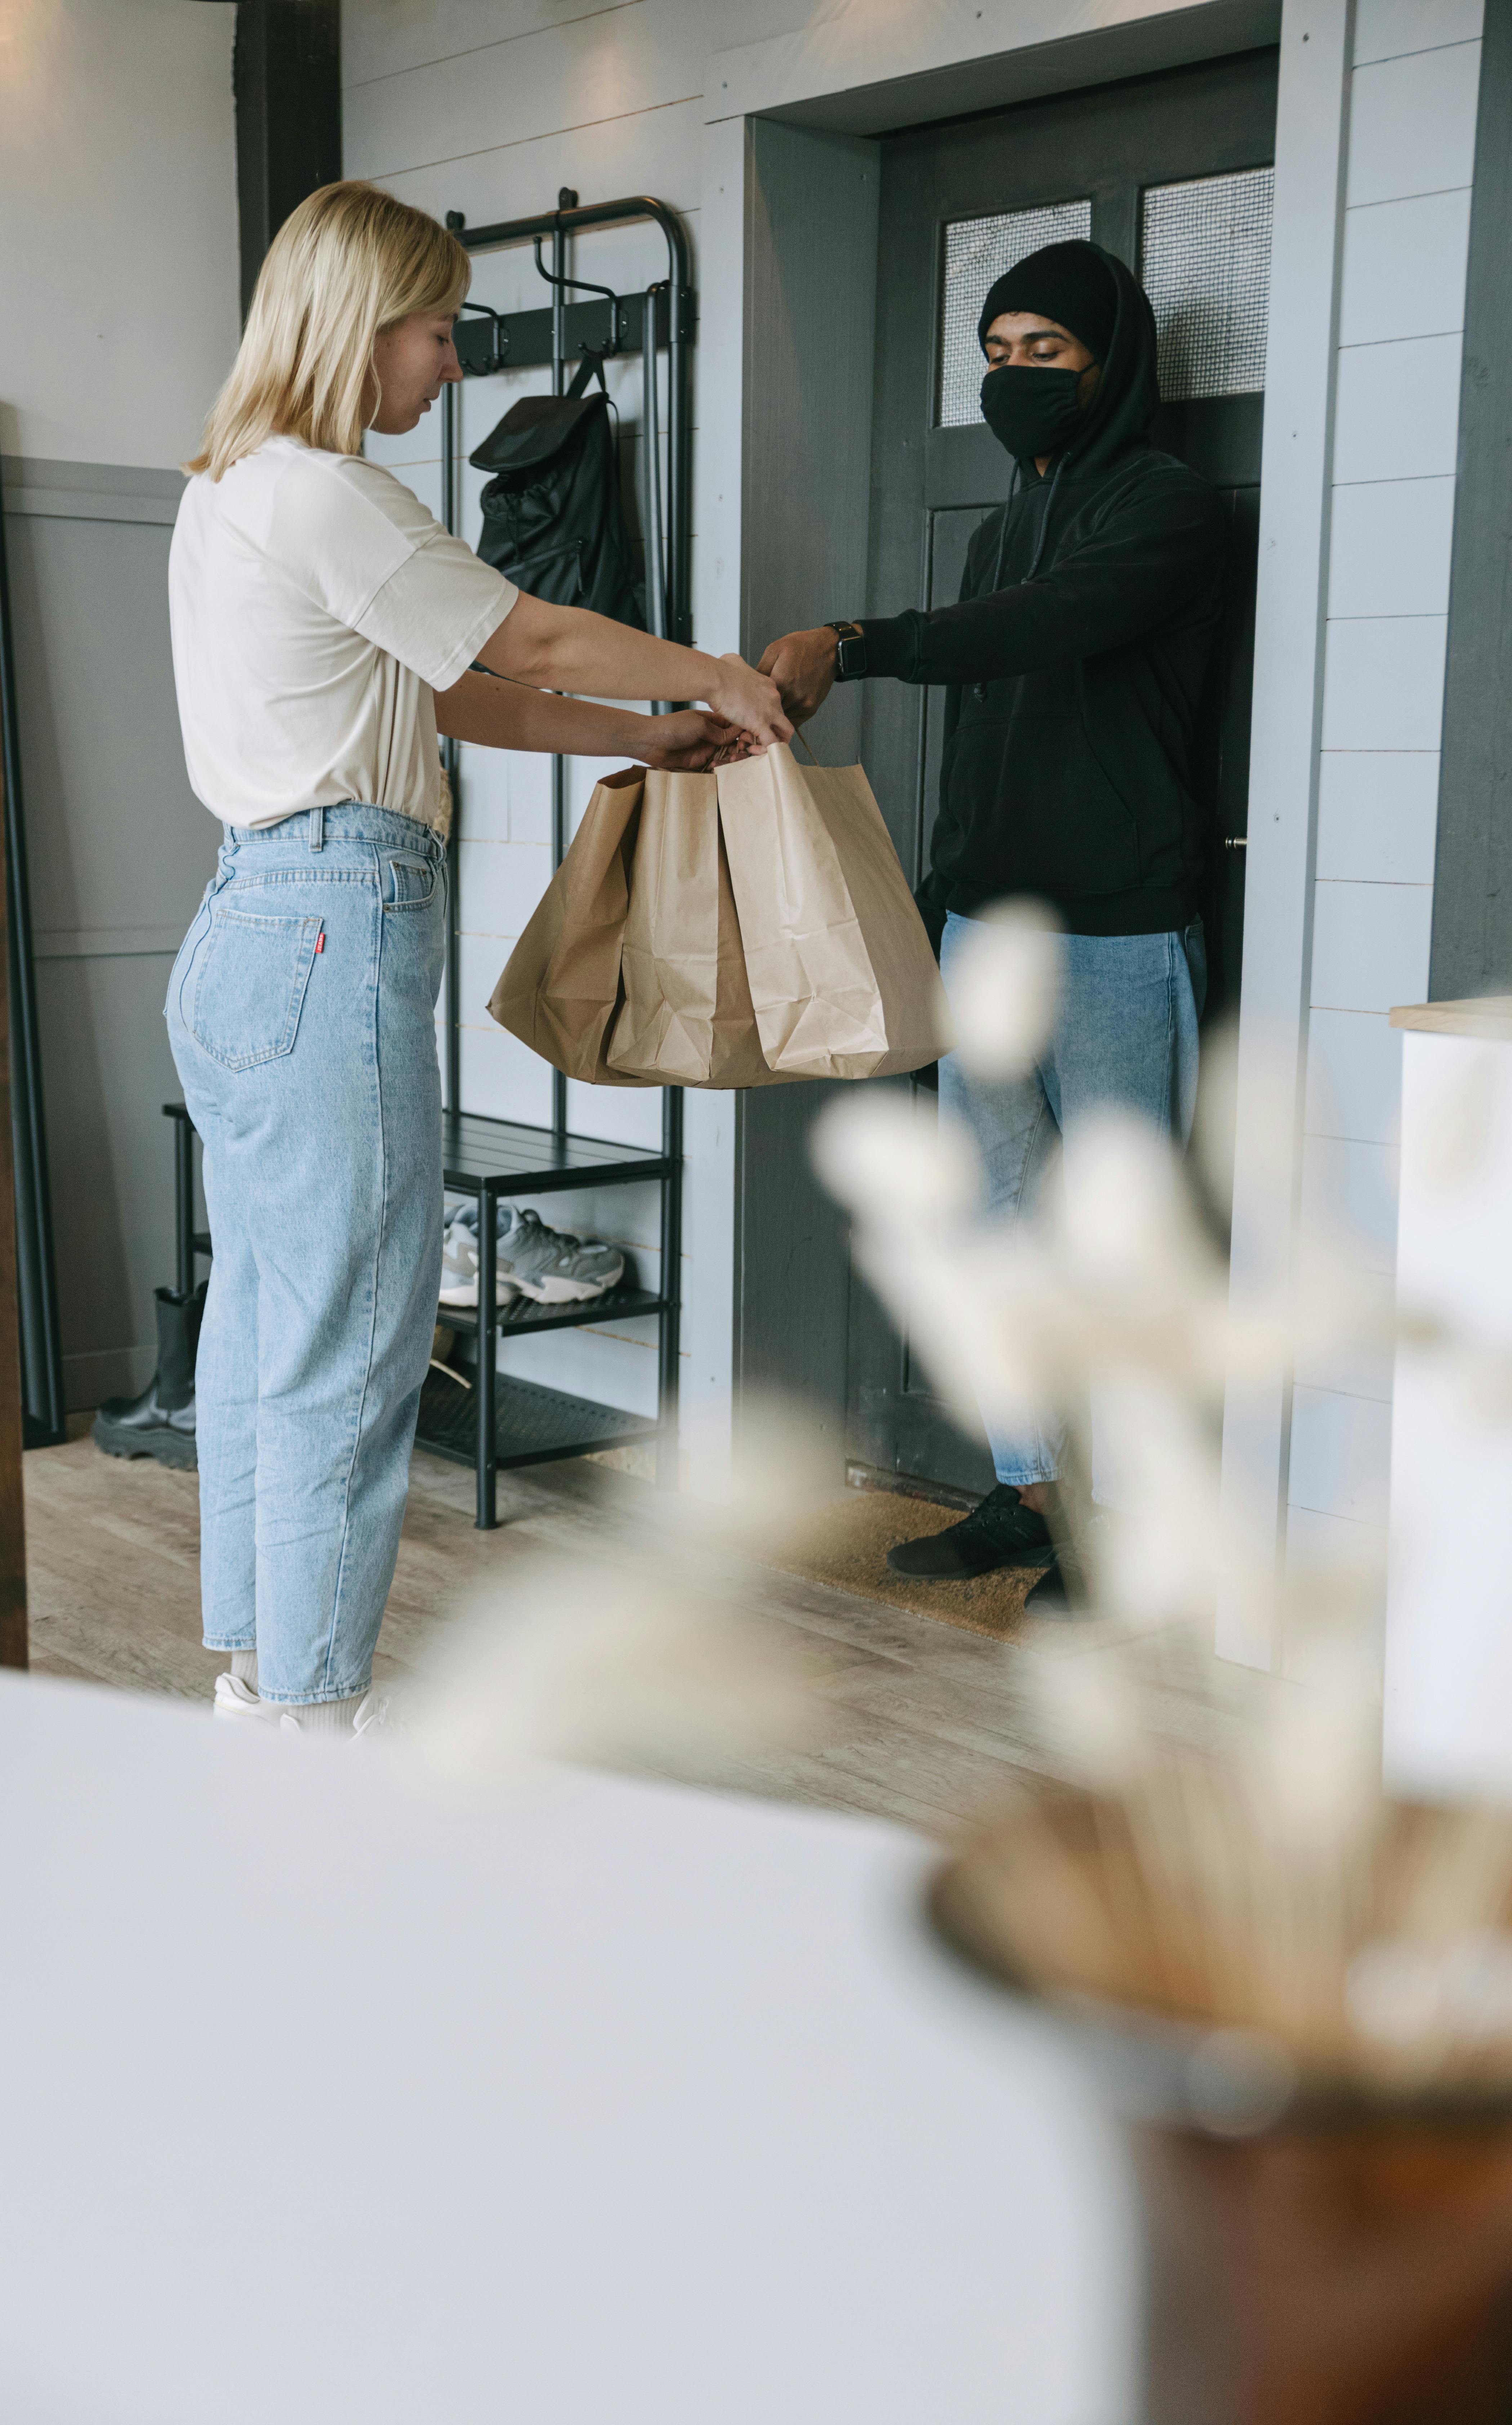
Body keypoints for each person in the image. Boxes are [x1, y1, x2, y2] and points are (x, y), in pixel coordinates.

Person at [168, 180, 788, 1734]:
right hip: (327, 927)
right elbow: (535, 641)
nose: (451, 367)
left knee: (263, 1320)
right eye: (439, 331)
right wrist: (716, 670)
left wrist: (653, 740)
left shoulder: (229, 487)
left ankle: (258, 1678)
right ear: (359, 325)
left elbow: (461, 697)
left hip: (245, 927)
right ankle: (312, 1720)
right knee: (357, 1346)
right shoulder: (326, 491)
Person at [758, 240, 1227, 1605]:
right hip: (986, 929)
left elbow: (1046, 627)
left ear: (1110, 363)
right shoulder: (994, 524)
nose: (1017, 375)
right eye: (1001, 349)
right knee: (991, 1227)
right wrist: (935, 905)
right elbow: (990, 729)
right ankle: (1033, 1490)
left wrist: (854, 640)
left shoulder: (1171, 508)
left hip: (1120, 936)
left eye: (1050, 352)